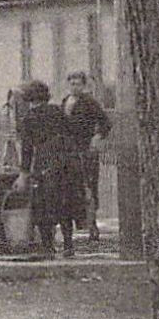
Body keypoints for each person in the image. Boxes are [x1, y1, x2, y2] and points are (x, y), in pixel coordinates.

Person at [14, 80, 86, 257]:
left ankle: (48, 247)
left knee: (43, 205)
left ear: (28, 98)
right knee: (65, 203)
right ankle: (68, 245)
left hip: (45, 163)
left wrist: (23, 174)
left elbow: (27, 149)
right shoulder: (57, 111)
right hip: (66, 162)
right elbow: (72, 133)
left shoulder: (29, 118)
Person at [60, 71, 113, 242]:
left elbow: (105, 122)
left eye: (78, 84)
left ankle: (92, 225)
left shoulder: (89, 102)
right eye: (72, 83)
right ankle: (77, 223)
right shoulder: (65, 102)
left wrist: (96, 137)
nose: (74, 87)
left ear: (83, 86)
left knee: (88, 186)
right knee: (71, 187)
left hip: (85, 150)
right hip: (69, 151)